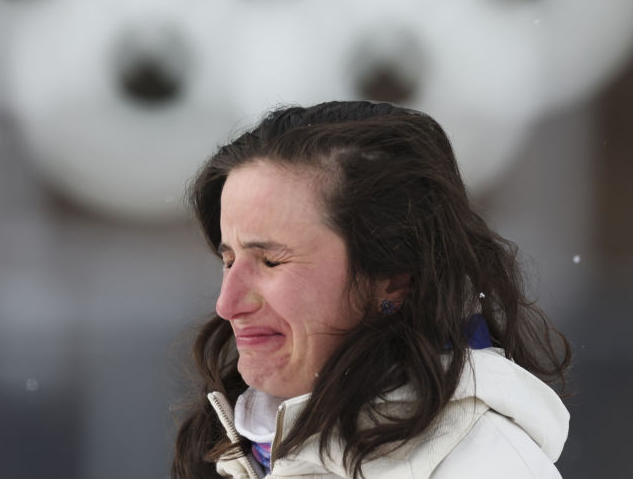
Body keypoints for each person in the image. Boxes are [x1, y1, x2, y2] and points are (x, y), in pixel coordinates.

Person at [172, 101, 571, 479]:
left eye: (272, 261)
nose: (228, 304)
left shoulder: (488, 466)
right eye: (229, 261)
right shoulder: (240, 451)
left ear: (393, 278)